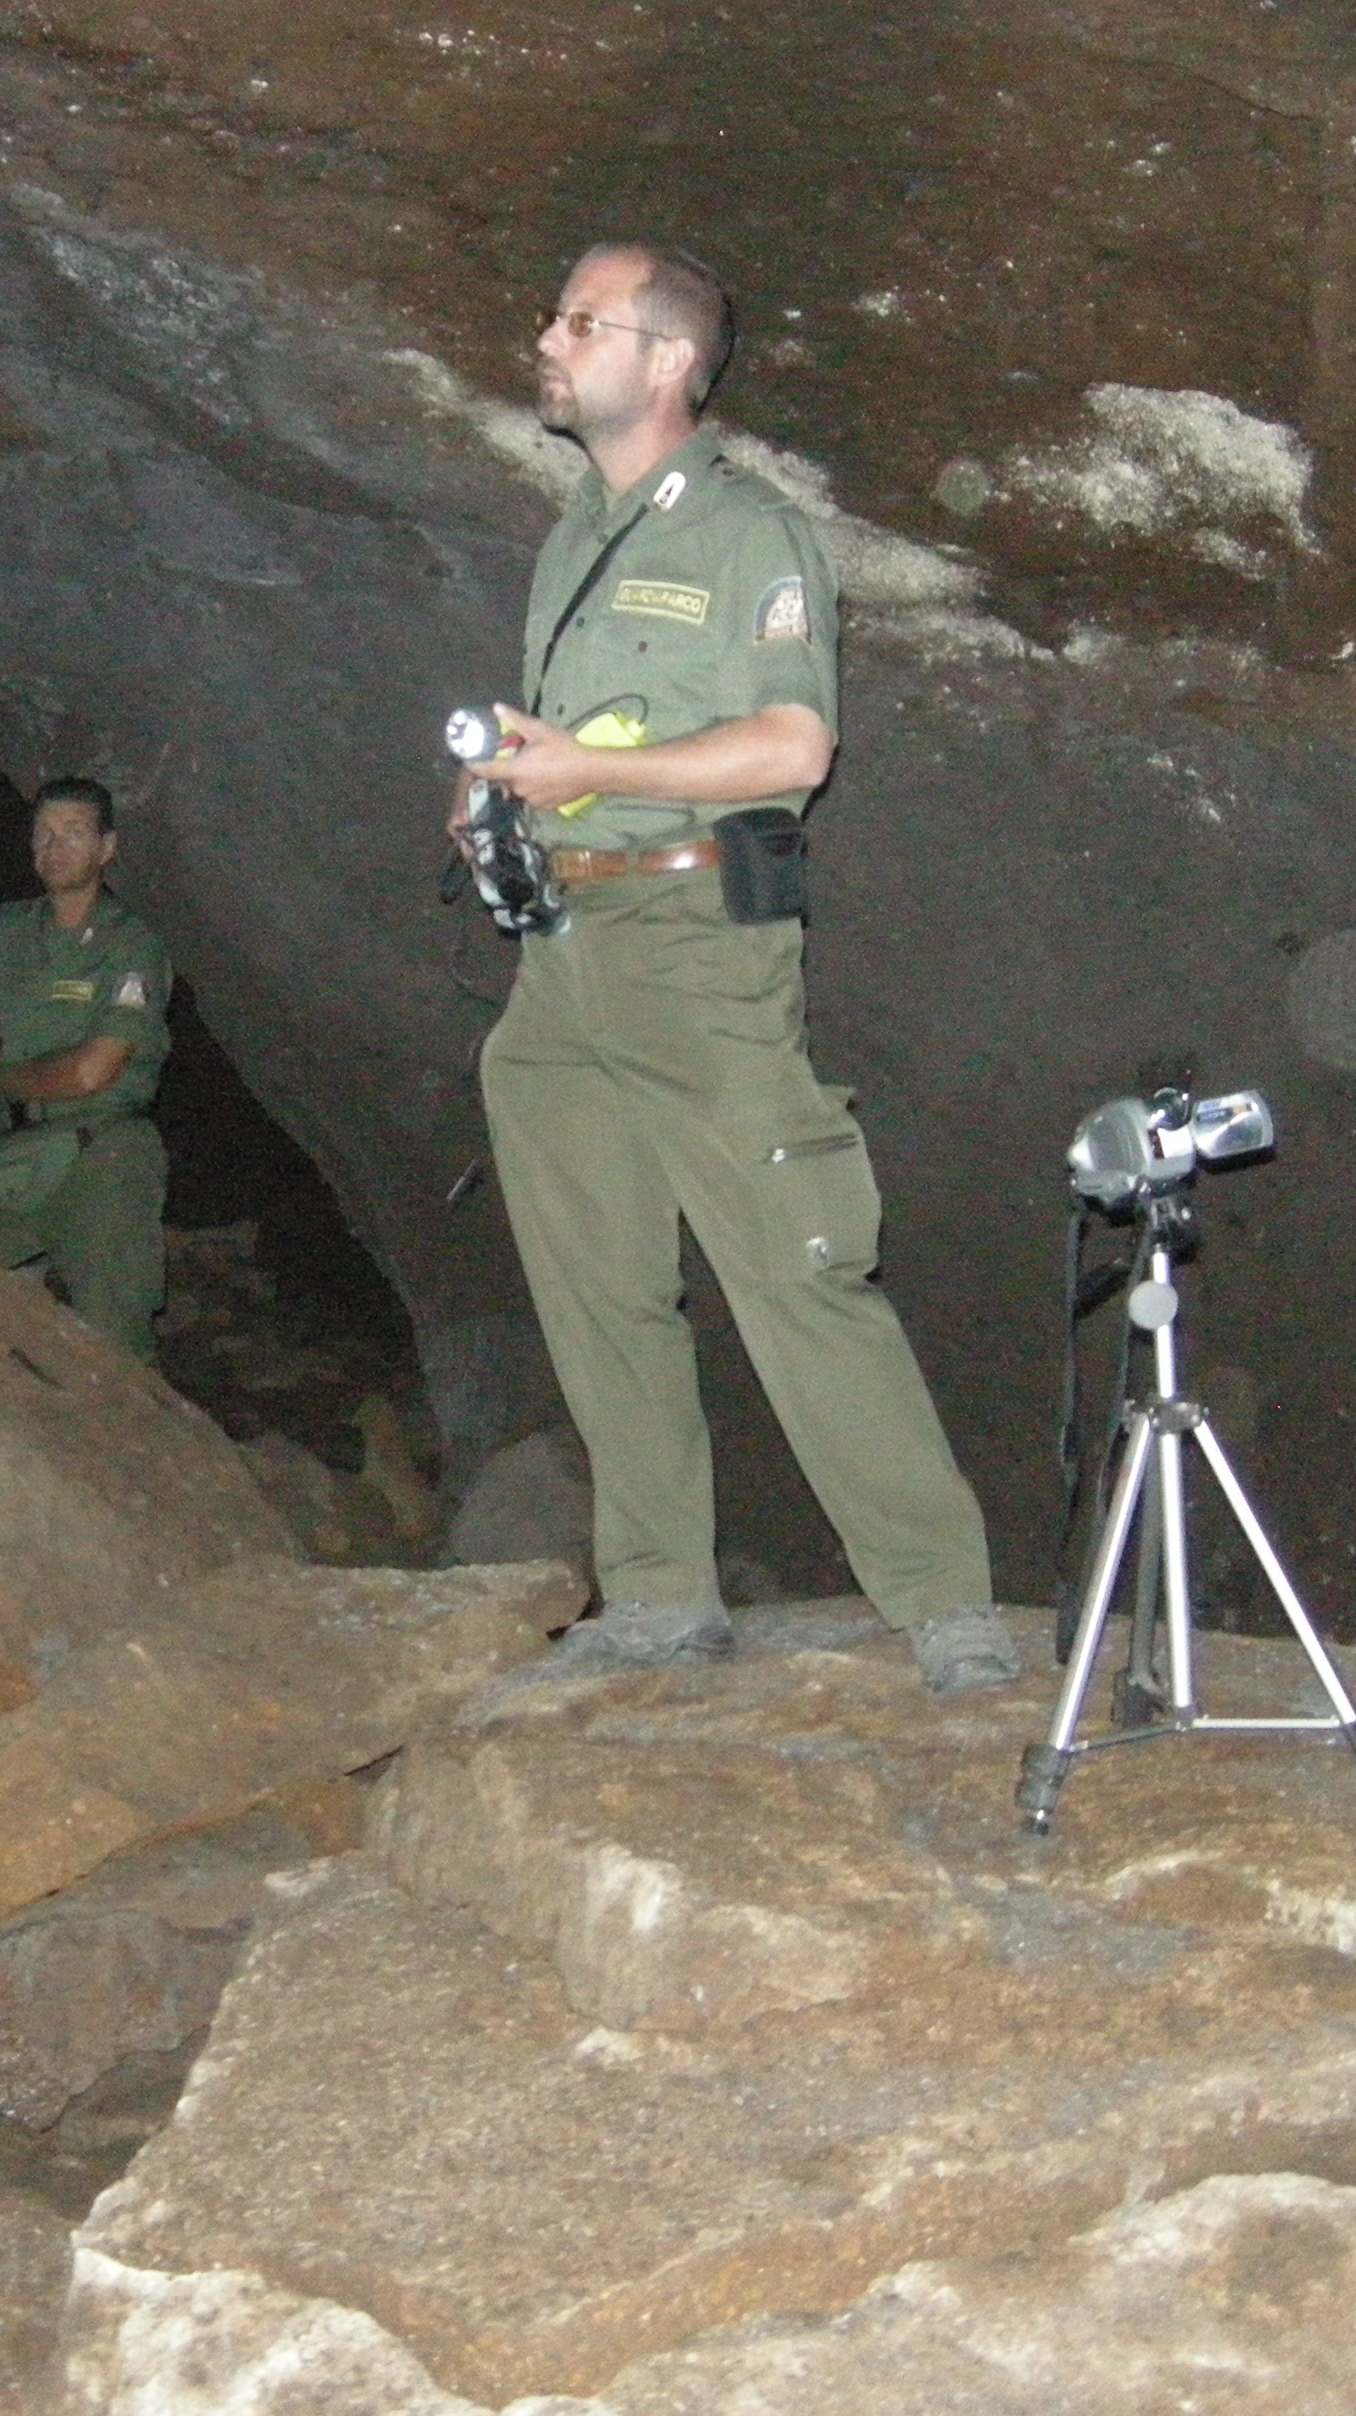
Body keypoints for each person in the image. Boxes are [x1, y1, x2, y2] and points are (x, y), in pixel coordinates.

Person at [460, 240, 1018, 1693]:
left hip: (696, 939)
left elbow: (794, 746)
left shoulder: (750, 538)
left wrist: (591, 762)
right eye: (554, 313)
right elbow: (571, 752)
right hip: (563, 952)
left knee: (798, 1264)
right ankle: (657, 1593)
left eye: (582, 321)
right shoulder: (574, 538)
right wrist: (516, 785)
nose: (550, 338)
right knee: (600, 1279)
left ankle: (946, 1603)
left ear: (665, 362)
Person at [0, 777, 174, 1359]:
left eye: (73, 834)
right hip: (15, 1156)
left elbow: (91, 1074)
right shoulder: (10, 929)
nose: (53, 848)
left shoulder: (131, 943)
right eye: (43, 834)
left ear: (107, 848)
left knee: (112, 1348)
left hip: (98, 1158)